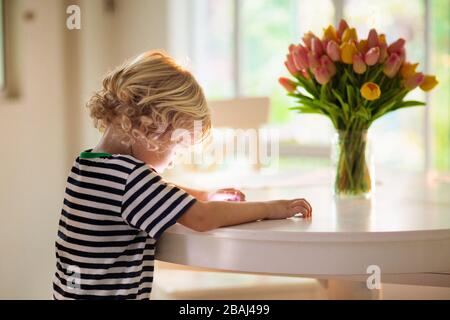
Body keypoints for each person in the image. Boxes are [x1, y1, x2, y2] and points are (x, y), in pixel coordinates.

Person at [53, 51, 312, 300]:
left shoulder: (88, 164)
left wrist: (204, 193)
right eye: (180, 145)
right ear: (152, 125)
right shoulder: (130, 177)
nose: (177, 156)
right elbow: (201, 217)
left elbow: (154, 191)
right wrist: (269, 208)